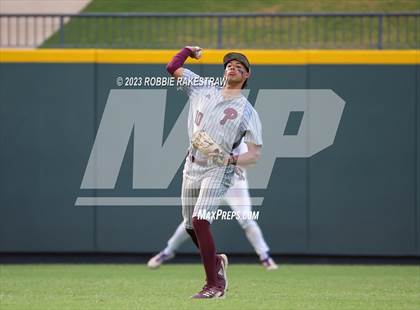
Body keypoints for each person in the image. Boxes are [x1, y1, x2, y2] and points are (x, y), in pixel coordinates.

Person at [166, 46, 263, 299]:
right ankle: (216, 262)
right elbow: (172, 68)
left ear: (247, 76)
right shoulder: (202, 87)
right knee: (190, 226)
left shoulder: (248, 112)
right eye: (230, 65)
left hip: (218, 169)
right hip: (192, 164)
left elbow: (253, 155)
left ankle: (214, 285)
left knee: (200, 220)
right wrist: (187, 50)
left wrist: (231, 159)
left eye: (240, 68)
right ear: (224, 70)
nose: (234, 68)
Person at [147, 142, 278, 271]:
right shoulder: (213, 133)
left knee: (246, 219)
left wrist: (223, 159)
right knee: (195, 220)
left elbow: (249, 160)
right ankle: (168, 251)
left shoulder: (239, 136)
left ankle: (264, 256)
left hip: (236, 185)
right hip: (214, 184)